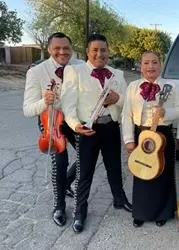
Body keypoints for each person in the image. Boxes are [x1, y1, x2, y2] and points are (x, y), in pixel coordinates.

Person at [61, 34, 132, 233]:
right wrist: (75, 125)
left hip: (110, 127)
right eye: (95, 50)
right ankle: (80, 211)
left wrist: (117, 98)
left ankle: (120, 199)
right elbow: (68, 105)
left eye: (103, 50)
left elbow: (127, 101)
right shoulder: (75, 71)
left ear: (108, 52)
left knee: (114, 168)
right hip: (87, 129)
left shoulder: (117, 74)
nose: (100, 54)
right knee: (85, 172)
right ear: (87, 52)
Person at [23, 32, 81, 227]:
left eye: (66, 48)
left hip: (73, 119)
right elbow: (28, 109)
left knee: (87, 156)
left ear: (71, 49)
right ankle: (59, 206)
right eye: (57, 48)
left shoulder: (79, 68)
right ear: (49, 49)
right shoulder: (36, 72)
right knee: (60, 161)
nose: (62, 52)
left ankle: (64, 183)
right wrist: (44, 101)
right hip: (52, 120)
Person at [122, 51, 179, 228]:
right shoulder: (133, 87)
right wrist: (128, 139)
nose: (151, 66)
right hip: (140, 133)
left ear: (161, 64)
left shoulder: (171, 86)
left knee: (162, 174)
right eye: (146, 63)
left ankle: (163, 212)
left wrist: (166, 113)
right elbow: (126, 114)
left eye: (155, 62)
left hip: (163, 134)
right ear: (140, 66)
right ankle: (140, 212)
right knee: (141, 172)